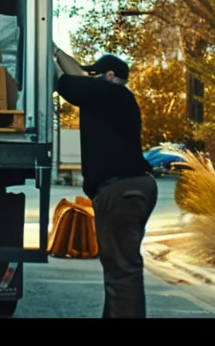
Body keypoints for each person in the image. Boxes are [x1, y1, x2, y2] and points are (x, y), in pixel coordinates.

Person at [54, 47, 156, 319]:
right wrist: (54, 50)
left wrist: (49, 59)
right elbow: (78, 76)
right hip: (133, 187)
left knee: (122, 272)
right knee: (120, 267)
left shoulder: (111, 94)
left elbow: (68, 82)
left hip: (120, 190)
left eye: (95, 75)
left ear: (109, 75)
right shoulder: (111, 97)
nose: (90, 79)